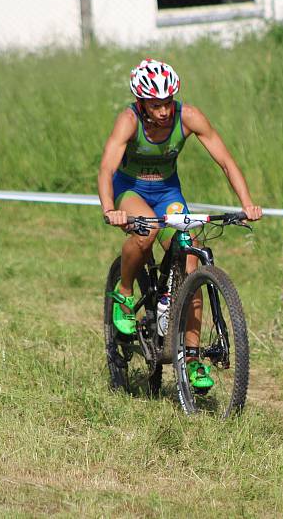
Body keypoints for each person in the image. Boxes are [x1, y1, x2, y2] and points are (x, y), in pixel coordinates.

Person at [98, 59, 262, 390]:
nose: (163, 111)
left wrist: (246, 203)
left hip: (168, 193)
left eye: (168, 102)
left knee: (191, 259)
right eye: (156, 105)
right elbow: (105, 169)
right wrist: (109, 208)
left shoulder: (189, 117)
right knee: (147, 230)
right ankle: (125, 292)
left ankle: (192, 356)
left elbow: (226, 162)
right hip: (129, 190)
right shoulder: (128, 121)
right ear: (142, 102)